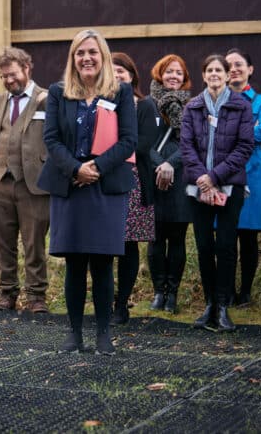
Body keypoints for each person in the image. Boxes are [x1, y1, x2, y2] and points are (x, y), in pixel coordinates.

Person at [37, 29, 136, 354]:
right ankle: (74, 333)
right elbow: (51, 138)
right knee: (76, 262)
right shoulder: (57, 92)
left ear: (103, 56)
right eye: (80, 53)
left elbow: (129, 141)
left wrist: (95, 168)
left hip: (105, 186)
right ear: (73, 59)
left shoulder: (120, 93)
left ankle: (104, 334)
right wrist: (76, 168)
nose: (87, 58)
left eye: (92, 52)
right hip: (70, 184)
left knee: (103, 262)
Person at [180, 54, 253, 332]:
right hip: (197, 186)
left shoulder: (241, 107)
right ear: (204, 75)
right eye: (209, 70)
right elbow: (186, 146)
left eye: (218, 70)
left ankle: (223, 305)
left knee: (225, 245)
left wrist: (214, 176)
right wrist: (202, 178)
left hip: (229, 184)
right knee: (203, 246)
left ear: (227, 75)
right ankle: (209, 304)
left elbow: (244, 147)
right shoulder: (193, 107)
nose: (214, 74)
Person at [0, 47, 50, 313]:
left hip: (34, 184)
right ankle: (7, 293)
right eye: (4, 76)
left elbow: (56, 141)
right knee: (2, 242)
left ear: (27, 69)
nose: (9, 80)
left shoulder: (47, 99)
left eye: (13, 74)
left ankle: (36, 297)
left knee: (34, 243)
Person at [110, 52, 158, 324]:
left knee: (128, 245)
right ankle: (105, 299)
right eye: (113, 70)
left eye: (122, 71)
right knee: (103, 245)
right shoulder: (102, 104)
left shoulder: (145, 105)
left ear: (132, 75)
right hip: (104, 179)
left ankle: (122, 304)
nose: (117, 75)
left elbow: (144, 144)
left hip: (133, 181)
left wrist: (112, 152)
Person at [146, 54, 193, 313]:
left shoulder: (193, 106)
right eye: (169, 72)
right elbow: (142, 142)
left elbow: (193, 143)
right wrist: (159, 164)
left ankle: (172, 294)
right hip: (152, 177)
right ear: (159, 74)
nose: (173, 76)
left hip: (180, 177)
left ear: (184, 77)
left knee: (177, 238)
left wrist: (170, 165)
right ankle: (158, 292)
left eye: (178, 72)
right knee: (154, 239)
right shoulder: (147, 105)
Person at [226, 48, 261, 306]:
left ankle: (245, 292)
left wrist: (232, 133)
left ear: (250, 69)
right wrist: (246, 130)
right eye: (229, 65)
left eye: (239, 64)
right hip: (224, 173)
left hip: (253, 173)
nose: (234, 68)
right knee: (226, 235)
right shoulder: (218, 99)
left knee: (249, 236)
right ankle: (228, 291)